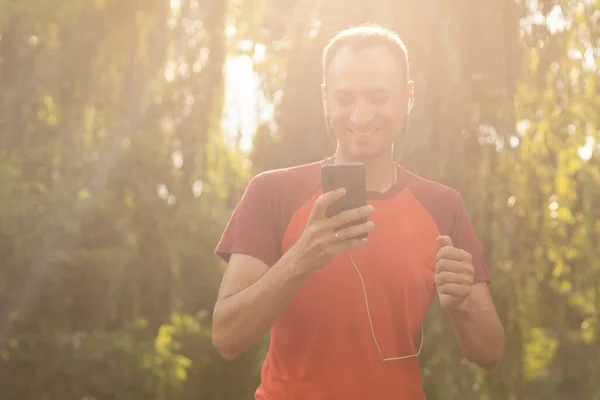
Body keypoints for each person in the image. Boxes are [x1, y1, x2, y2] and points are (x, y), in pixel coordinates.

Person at [211, 23, 505, 400]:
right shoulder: (272, 193)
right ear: (325, 100)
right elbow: (227, 337)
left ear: (407, 98)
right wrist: (300, 258)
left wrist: (463, 303)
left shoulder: (442, 206)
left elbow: (490, 353)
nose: (361, 115)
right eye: (345, 98)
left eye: (378, 97)